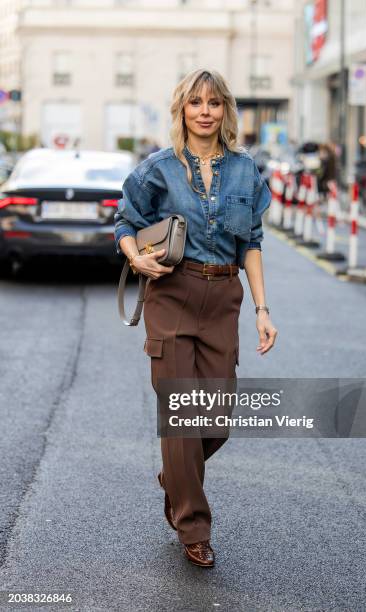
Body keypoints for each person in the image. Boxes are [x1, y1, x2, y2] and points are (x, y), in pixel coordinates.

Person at [114, 68, 278, 568]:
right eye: (195, 103)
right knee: (182, 415)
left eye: (213, 103)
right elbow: (125, 219)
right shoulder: (157, 169)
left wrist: (261, 310)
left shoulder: (246, 171)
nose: (204, 111)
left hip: (223, 295)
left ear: (225, 110)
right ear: (181, 110)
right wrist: (134, 255)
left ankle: (176, 474)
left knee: (218, 417)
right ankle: (194, 527)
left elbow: (251, 243)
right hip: (171, 292)